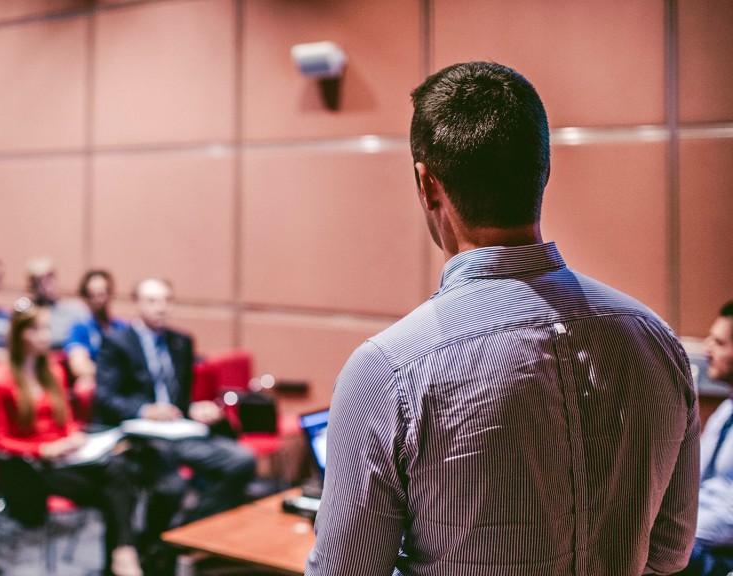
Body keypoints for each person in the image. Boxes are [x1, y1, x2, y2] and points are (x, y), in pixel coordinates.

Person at [306, 61, 699, 576]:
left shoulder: (386, 372)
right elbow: (670, 551)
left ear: (427, 185)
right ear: (543, 171)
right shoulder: (655, 340)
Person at [0, 299, 143, 576]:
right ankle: (122, 559)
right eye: (38, 330)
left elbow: (66, 422)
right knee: (115, 490)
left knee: (120, 473)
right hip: (29, 468)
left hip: (66, 460)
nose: (46, 336)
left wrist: (74, 437)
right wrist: (43, 449)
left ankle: (121, 555)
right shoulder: (0, 379)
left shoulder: (53, 371)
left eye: (47, 328)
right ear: (21, 334)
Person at [94, 279, 256, 545]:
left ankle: (185, 531)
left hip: (180, 430)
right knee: (172, 484)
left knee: (241, 460)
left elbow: (180, 399)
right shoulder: (118, 343)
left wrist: (194, 408)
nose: (161, 308)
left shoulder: (180, 341)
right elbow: (106, 399)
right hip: (142, 436)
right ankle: (154, 541)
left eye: (167, 300)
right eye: (153, 301)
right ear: (136, 303)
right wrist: (145, 410)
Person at [673, 301, 733, 575]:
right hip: (697, 536)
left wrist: (680, 534)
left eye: (719, 343)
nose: (706, 350)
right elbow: (697, 480)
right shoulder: (725, 411)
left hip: (721, 551)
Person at [66, 270, 127, 415]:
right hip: (99, 381)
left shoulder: (122, 327)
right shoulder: (80, 327)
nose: (98, 299)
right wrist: (113, 376)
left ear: (110, 294)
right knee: (85, 386)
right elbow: (79, 366)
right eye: (91, 295)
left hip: (126, 381)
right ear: (85, 298)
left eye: (102, 293)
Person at [26, 257, 90, 350]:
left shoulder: (76, 309)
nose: (46, 286)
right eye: (39, 282)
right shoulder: (27, 312)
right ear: (32, 286)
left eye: (49, 279)